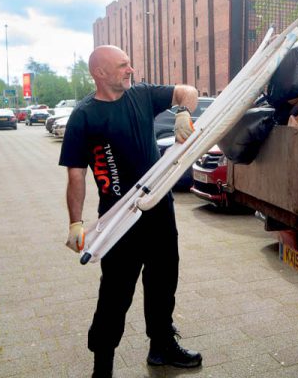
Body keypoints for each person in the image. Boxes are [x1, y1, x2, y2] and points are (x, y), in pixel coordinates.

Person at [58, 45, 201, 377]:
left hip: (159, 210)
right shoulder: (84, 115)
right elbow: (76, 173)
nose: (131, 70)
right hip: (119, 221)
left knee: (163, 282)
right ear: (101, 73)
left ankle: (162, 346)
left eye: (129, 64)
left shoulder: (143, 96)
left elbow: (188, 91)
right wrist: (75, 223)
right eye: (123, 65)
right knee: (115, 294)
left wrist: (183, 110)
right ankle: (102, 366)